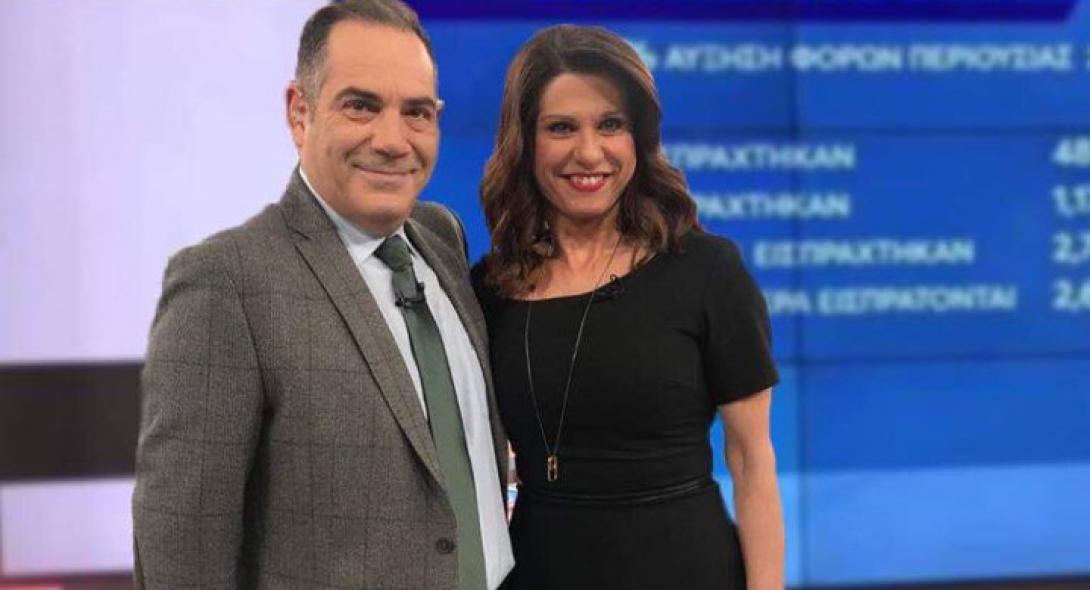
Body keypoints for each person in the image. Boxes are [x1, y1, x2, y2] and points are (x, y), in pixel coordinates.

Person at [132, 2, 513, 588]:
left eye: (416, 112)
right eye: (361, 106)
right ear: (299, 112)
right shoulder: (223, 282)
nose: (393, 140)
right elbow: (184, 556)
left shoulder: (442, 236)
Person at [472, 25, 784, 589]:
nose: (589, 152)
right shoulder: (491, 287)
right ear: (525, 140)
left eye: (610, 125)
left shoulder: (707, 270)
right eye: (561, 127)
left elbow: (752, 461)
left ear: (638, 136)